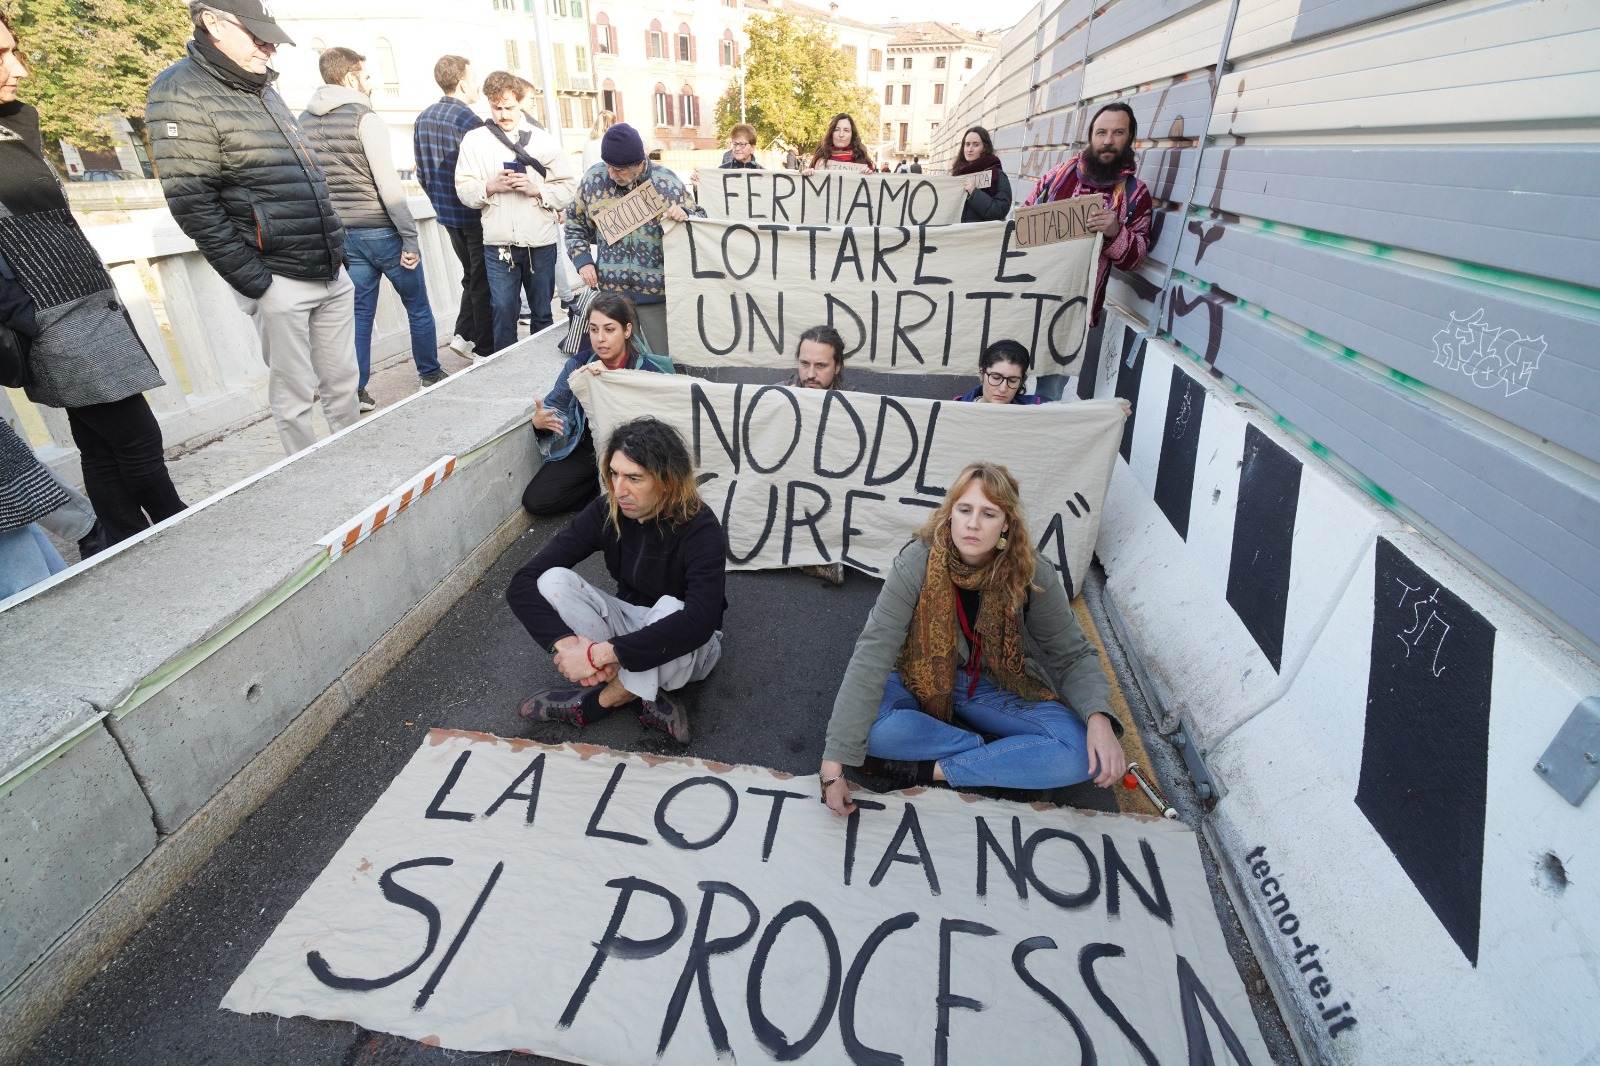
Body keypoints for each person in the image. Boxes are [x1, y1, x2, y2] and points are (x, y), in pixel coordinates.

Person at [819, 462, 1126, 813]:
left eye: (989, 513)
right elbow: (873, 654)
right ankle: (1006, 756)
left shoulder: (1029, 571)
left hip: (989, 685)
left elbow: (1072, 654)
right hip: (915, 677)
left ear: (1006, 523)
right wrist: (832, 766)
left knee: (1078, 750)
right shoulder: (917, 562)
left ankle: (932, 769)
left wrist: (1099, 718)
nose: (973, 523)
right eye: (965, 509)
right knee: (870, 732)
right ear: (951, 512)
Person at [2, 14, 186, 551]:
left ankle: (114, 544)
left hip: (79, 307)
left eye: (13, 51)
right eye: (0, 56)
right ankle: (181, 529)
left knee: (102, 446)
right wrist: (27, 316)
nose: (18, 69)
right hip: (55, 318)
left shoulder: (15, 125)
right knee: (137, 438)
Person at [148, 0, 359, 457]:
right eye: (258, 37)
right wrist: (258, 283)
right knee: (295, 396)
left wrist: (337, 252)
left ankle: (356, 464)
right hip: (277, 275)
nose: (269, 48)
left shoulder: (262, 86)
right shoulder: (180, 90)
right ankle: (312, 476)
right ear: (212, 23)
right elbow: (192, 203)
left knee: (345, 383)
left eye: (271, 38)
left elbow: (303, 175)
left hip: (328, 267)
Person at [507, 416, 727, 743]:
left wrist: (599, 656)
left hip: (690, 648)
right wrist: (569, 647)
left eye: (634, 478)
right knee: (553, 580)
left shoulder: (701, 527)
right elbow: (523, 582)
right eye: (614, 473)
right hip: (630, 625)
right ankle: (641, 689)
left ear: (667, 481)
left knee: (671, 609)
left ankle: (597, 703)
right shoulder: (608, 511)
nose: (619, 490)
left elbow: (701, 621)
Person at [300, 47, 442, 413]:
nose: (370, 83)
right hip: (382, 230)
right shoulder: (365, 118)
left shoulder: (303, 121)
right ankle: (429, 373)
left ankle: (358, 390)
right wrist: (409, 238)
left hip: (344, 234)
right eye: (365, 76)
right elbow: (388, 186)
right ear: (350, 77)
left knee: (360, 315)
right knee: (417, 306)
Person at [1022, 102, 1152, 401]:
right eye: (1101, 132)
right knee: (1005, 376)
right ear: (1091, 136)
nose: (1108, 140)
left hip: (1072, 313)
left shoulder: (1135, 194)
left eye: (1118, 133)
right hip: (1028, 299)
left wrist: (1115, 232)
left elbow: (1137, 257)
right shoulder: (1058, 176)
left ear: (1130, 138)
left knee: (1049, 394)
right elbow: (1022, 223)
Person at [455, 70, 578, 354]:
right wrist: (490, 187)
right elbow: (464, 189)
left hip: (540, 241)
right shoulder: (474, 140)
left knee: (542, 313)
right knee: (502, 312)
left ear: (520, 102)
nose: (502, 114)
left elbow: (568, 188)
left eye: (508, 107)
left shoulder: (544, 140)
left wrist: (537, 190)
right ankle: (507, 372)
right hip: (499, 244)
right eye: (496, 107)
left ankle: (542, 369)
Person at [522, 292, 673, 516]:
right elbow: (555, 409)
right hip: (591, 448)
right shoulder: (579, 365)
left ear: (627, 330)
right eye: (594, 330)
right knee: (536, 500)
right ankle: (600, 496)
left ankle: (612, 493)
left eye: (609, 329)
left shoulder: (648, 370)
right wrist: (541, 423)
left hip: (636, 453)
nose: (600, 338)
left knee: (648, 497)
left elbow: (667, 424)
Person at [565, 122, 701, 355]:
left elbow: (701, 219)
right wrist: (583, 261)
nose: (612, 174)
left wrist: (685, 214)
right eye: (608, 166)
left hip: (657, 296)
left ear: (639, 163)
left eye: (619, 169)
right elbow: (574, 224)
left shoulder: (666, 183)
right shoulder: (593, 179)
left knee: (663, 361)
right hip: (612, 297)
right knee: (621, 363)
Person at [414, 54, 492, 363]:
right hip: (472, 212)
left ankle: (463, 334)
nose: (476, 86)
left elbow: (422, 173)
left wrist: (438, 201)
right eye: (473, 79)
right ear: (461, 83)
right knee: (482, 279)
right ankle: (480, 344)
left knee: (471, 275)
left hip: (446, 214)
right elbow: (483, 170)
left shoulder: (423, 119)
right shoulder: (469, 121)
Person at [785, 325, 847, 587]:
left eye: (821, 366)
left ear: (838, 366)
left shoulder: (855, 406)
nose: (810, 374)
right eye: (804, 364)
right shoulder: (773, 397)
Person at [954, 340, 1046, 405]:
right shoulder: (955, 410)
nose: (1003, 389)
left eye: (1012, 380)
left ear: (1021, 381)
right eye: (996, 378)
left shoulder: (1040, 408)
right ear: (982, 374)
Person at [952, 125, 1011, 224]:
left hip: (983, 233)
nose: (970, 149)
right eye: (967, 144)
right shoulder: (957, 174)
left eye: (976, 145)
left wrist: (974, 192)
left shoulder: (997, 175)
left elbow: (1000, 211)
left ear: (984, 148)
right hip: (956, 232)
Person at [694, 122, 760, 190]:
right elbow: (711, 194)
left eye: (742, 144)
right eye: (735, 144)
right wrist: (697, 187)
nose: (737, 148)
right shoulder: (721, 171)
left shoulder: (763, 174)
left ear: (752, 148)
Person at [804, 113, 872, 173]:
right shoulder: (820, 156)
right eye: (836, 130)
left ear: (852, 135)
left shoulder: (862, 158)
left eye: (846, 130)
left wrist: (868, 174)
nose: (841, 134)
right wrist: (808, 174)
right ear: (831, 133)